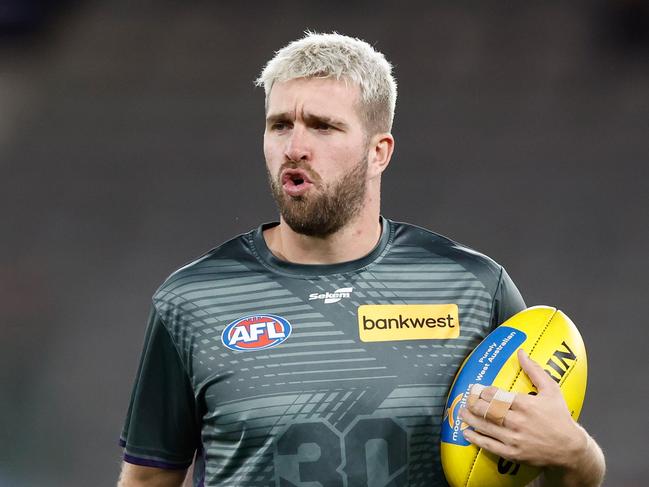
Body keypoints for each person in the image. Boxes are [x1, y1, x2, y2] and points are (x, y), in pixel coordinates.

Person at [117, 32, 605, 487]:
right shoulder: (192, 300)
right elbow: (146, 480)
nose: (295, 147)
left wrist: (578, 455)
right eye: (280, 124)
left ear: (379, 152)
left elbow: (542, 465)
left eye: (323, 127)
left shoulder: (474, 288)